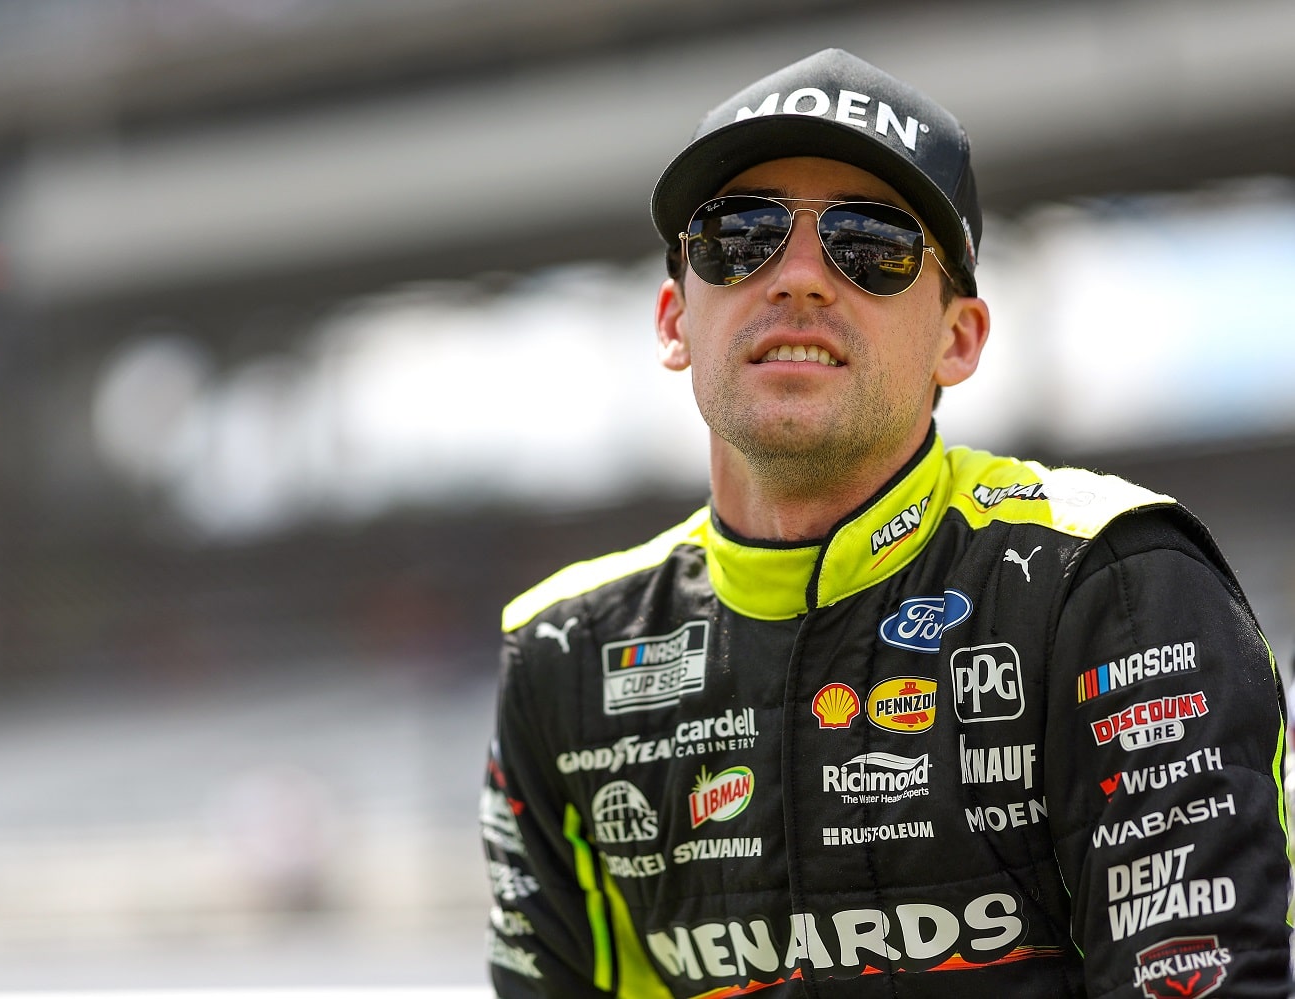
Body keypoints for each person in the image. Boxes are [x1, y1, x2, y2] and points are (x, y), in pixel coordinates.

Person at [480, 48, 1290, 997]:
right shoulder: (562, 656)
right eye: (740, 234)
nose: (800, 279)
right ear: (673, 320)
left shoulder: (1110, 582)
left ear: (959, 338)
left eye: (872, 244)